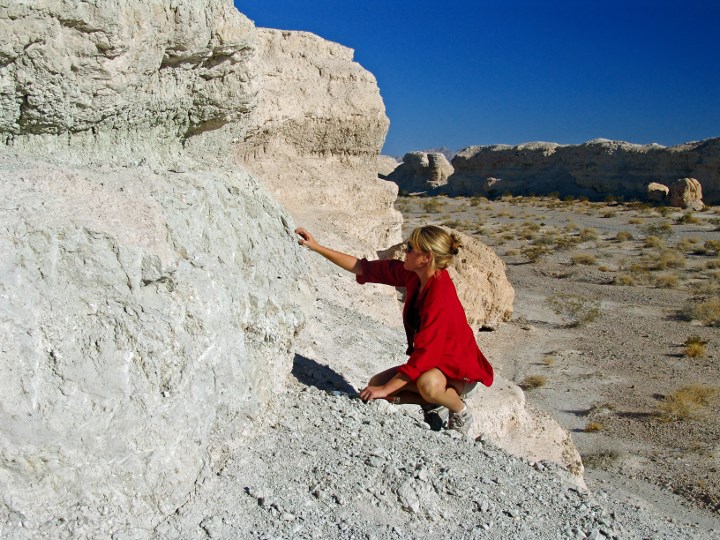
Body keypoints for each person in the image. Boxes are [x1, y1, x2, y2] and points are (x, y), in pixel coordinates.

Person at [295, 225, 493, 434]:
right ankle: (432, 404)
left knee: (422, 385)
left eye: (410, 248)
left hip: (459, 372)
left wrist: (385, 390)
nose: (404, 251)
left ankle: (459, 410)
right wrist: (317, 247)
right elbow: (363, 268)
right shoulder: (415, 275)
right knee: (377, 384)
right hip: (433, 364)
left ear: (426, 257)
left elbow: (425, 357)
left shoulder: (439, 297)